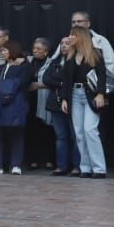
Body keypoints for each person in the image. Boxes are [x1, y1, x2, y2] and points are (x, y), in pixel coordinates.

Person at [54, 30, 108, 177]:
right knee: (78, 133)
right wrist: (64, 98)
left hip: (90, 95)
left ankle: (99, 168)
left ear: (81, 38)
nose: (70, 37)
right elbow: (66, 80)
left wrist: (100, 94)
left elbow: (102, 75)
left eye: (73, 35)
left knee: (90, 130)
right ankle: (85, 167)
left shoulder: (95, 53)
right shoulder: (70, 56)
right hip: (74, 95)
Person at [0, 42, 30, 175]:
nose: (2, 53)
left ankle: (16, 165)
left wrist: (0, 85)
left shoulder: (23, 66)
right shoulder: (1, 67)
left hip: (16, 103)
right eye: (2, 51)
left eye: (5, 51)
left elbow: (21, 82)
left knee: (16, 133)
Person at [31, 38, 75, 176]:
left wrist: (60, 82)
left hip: (73, 101)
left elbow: (73, 79)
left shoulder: (77, 61)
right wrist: (61, 82)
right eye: (61, 43)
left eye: (67, 44)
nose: (63, 46)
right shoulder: (55, 62)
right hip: (55, 102)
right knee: (60, 136)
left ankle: (77, 166)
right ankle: (61, 166)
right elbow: (47, 79)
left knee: (75, 135)